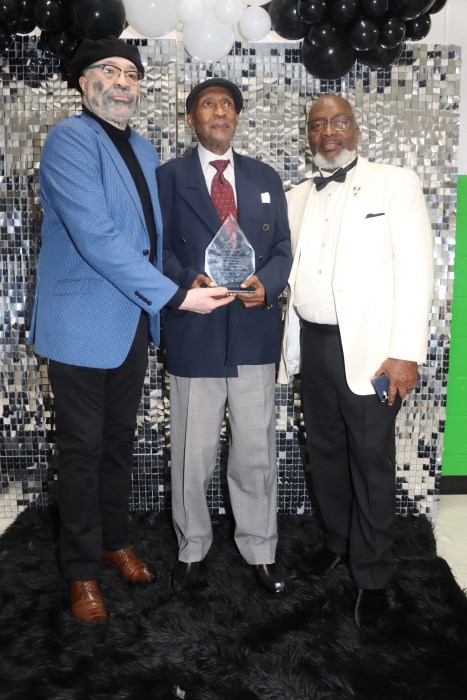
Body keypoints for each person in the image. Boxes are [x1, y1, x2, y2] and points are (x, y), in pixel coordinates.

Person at [28, 38, 233, 623]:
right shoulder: (69, 139)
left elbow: (149, 240)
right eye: (110, 70)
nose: (124, 81)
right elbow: (96, 237)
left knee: (118, 445)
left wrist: (179, 275)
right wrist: (174, 297)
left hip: (132, 325)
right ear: (83, 82)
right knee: (82, 453)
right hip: (79, 326)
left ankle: (113, 540)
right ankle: (80, 572)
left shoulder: (143, 149)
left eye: (132, 73)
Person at [278, 94, 434, 628]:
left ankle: (372, 577)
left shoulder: (396, 183)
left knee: (369, 461)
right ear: (309, 135)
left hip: (372, 351)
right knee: (324, 451)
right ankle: (338, 543)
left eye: (339, 121)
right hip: (314, 344)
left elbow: (417, 271)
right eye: (318, 125)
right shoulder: (295, 196)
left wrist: (406, 354)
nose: (329, 132)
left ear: (356, 127)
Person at [156, 78, 292, 595]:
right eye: (208, 105)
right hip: (196, 328)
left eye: (228, 105)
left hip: (254, 330)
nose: (219, 112)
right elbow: (158, 248)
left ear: (237, 117)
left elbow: (281, 246)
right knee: (192, 451)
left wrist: (269, 283)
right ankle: (192, 546)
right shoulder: (167, 177)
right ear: (191, 118)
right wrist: (184, 279)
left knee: (255, 449)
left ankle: (260, 547)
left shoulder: (265, 177)